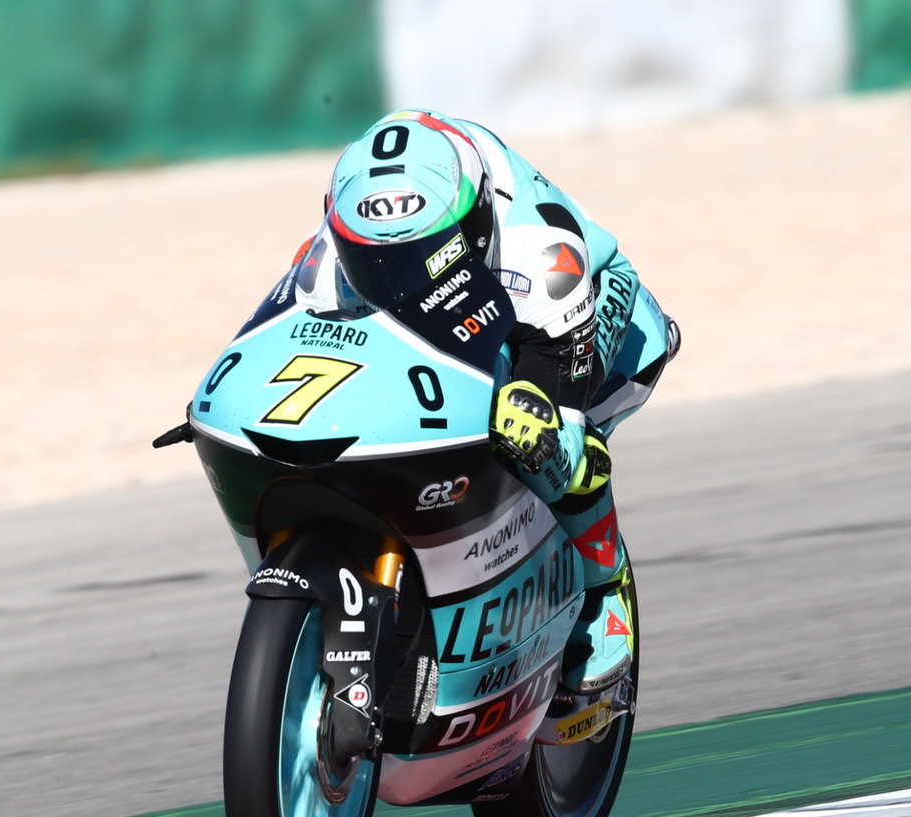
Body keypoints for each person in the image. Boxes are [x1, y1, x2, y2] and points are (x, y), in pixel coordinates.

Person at [243, 108, 679, 695]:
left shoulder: (541, 257)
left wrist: (549, 419)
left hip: (590, 312)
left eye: (412, 261)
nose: (393, 282)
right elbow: (273, 331)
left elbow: (555, 382)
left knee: (536, 431)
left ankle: (607, 585)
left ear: (469, 231)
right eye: (374, 263)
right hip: (473, 283)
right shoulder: (341, 237)